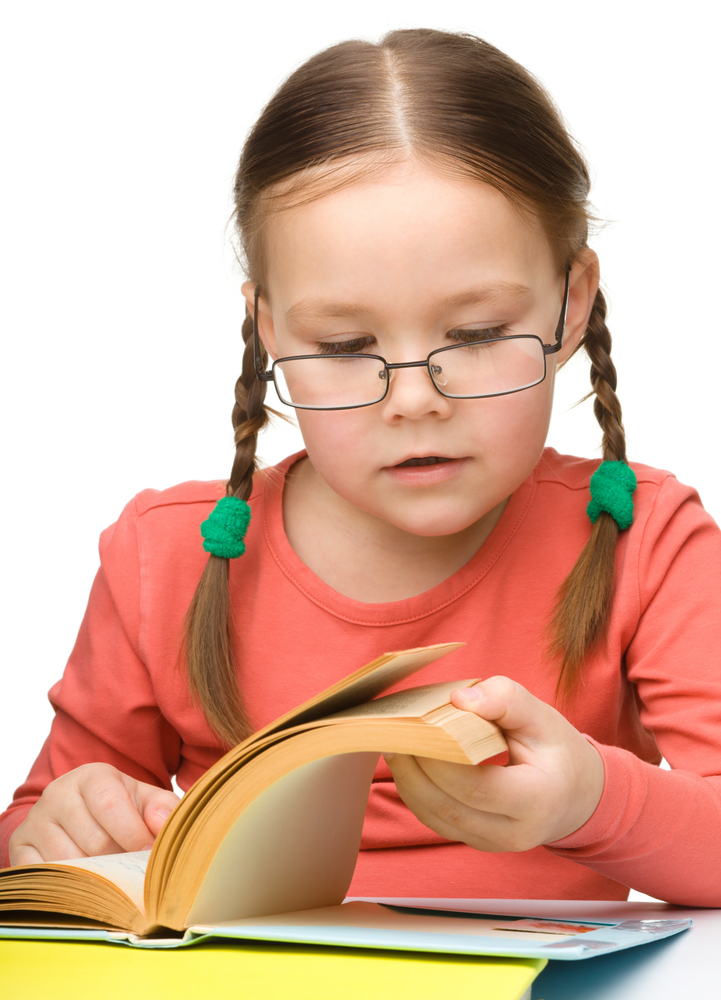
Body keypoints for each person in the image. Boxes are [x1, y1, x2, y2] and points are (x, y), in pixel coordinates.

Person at [2, 28, 720, 906]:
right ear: (267, 330)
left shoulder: (646, 540)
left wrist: (587, 800)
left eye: (477, 333)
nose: (414, 398)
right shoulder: (164, 559)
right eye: (344, 344)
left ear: (570, 305)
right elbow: (36, 841)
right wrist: (59, 831)